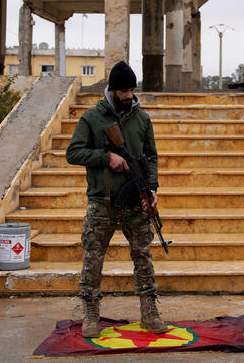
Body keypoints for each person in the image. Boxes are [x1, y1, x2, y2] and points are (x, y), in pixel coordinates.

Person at [65, 60, 167, 338]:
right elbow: (73, 153)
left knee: (143, 257)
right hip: (102, 202)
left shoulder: (142, 119)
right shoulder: (91, 118)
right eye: (123, 90)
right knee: (93, 258)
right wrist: (105, 157)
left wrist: (152, 188)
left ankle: (149, 311)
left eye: (132, 90)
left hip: (135, 200)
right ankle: (90, 313)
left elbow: (152, 157)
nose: (129, 96)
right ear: (111, 90)